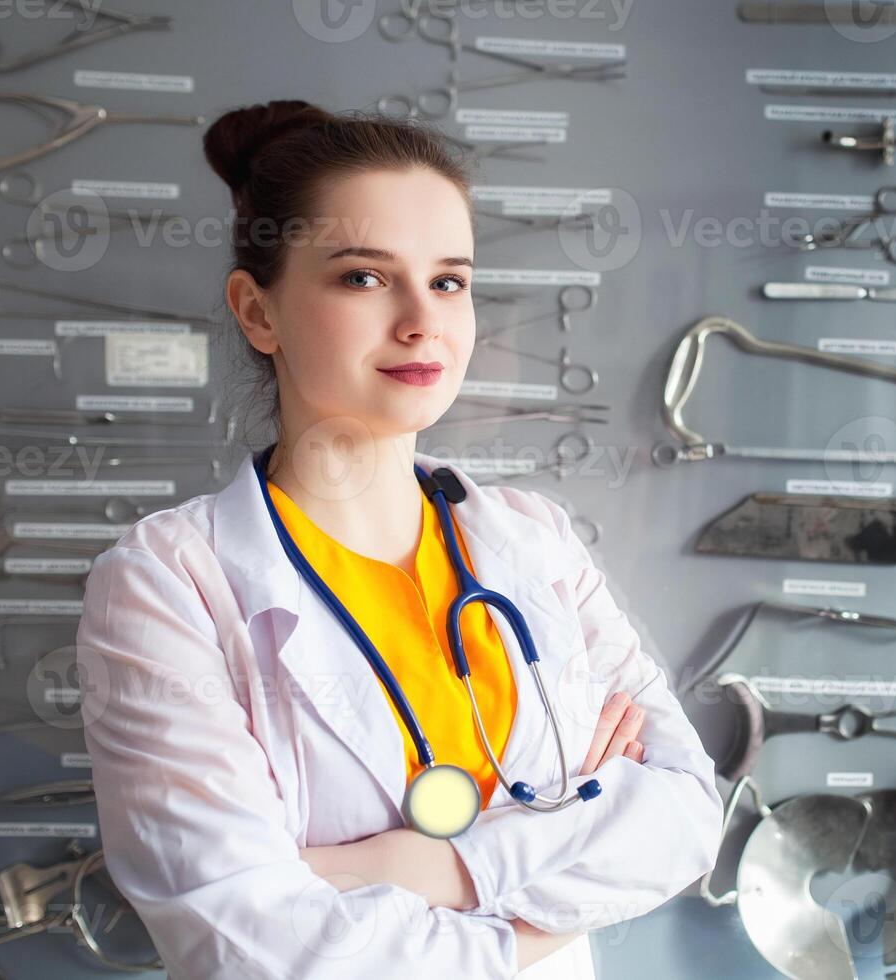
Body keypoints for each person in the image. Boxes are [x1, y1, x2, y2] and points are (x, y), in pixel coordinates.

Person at [74, 100, 723, 980]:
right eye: (364, 278)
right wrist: (542, 918)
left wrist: (427, 868)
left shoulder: (530, 539)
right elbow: (255, 946)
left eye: (449, 280)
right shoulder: (168, 584)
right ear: (257, 312)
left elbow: (686, 816)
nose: (424, 321)